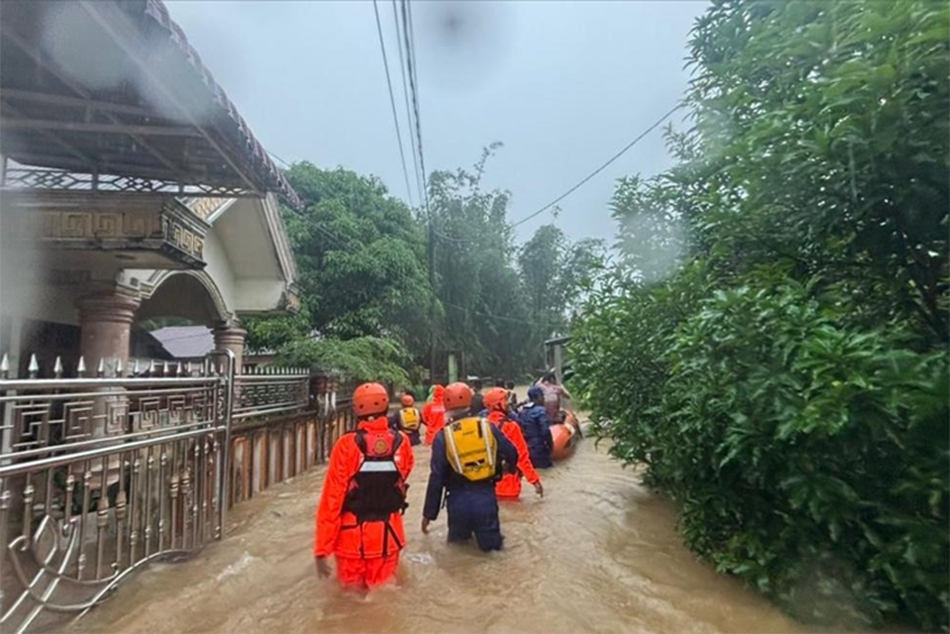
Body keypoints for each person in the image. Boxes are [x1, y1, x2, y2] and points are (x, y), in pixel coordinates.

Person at [314, 383, 414, 590]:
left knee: (349, 601)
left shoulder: (345, 444)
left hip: (351, 540)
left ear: (356, 408)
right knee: (383, 597)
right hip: (388, 536)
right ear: (386, 407)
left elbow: (332, 499)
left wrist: (322, 549)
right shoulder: (402, 442)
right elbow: (401, 476)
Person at [422, 382, 519, 552]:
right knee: (493, 552)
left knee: (458, 551)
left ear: (446, 405)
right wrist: (507, 469)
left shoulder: (442, 436)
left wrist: (428, 514)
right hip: (486, 498)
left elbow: (436, 478)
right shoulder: (487, 426)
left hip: (457, 502)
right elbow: (512, 453)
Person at [483, 387, 543, 500]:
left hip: (485, 487)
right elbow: (522, 457)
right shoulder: (511, 427)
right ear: (497, 404)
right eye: (505, 400)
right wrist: (535, 481)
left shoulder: (480, 426)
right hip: (508, 486)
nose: (508, 403)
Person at [520, 386, 554, 469]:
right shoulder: (540, 411)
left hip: (526, 450)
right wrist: (550, 446)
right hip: (539, 450)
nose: (543, 399)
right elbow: (545, 431)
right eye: (542, 396)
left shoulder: (522, 411)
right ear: (538, 397)